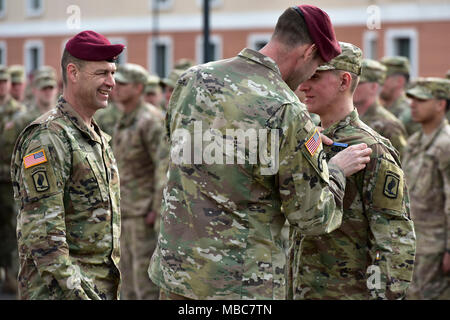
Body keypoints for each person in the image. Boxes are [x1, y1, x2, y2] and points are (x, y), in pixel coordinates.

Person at [148, 5, 372, 300]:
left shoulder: (193, 80)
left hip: (178, 276)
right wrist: (337, 171)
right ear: (309, 51)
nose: (309, 78)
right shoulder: (287, 111)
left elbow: (188, 152)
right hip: (241, 285)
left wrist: (290, 145)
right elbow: (312, 217)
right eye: (317, 64)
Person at [293, 42, 415, 300]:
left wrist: (386, 296)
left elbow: (393, 239)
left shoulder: (370, 148)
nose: (303, 86)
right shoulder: (311, 140)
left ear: (343, 81)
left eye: (315, 77)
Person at [10, 30, 124, 300]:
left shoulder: (93, 135)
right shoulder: (48, 137)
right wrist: (78, 293)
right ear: (73, 73)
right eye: (102, 73)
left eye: (113, 72)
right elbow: (44, 234)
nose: (111, 82)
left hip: (97, 289)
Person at [113, 63, 168, 300]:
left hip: (143, 214)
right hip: (124, 211)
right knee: (126, 282)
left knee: (144, 283)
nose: (116, 88)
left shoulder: (150, 120)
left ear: (138, 88)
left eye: (123, 84)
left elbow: (163, 166)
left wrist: (156, 209)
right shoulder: (124, 119)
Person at [403, 77, 450, 300]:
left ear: (441, 104)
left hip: (436, 246)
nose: (412, 104)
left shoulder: (446, 145)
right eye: (411, 99)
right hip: (413, 243)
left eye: (421, 100)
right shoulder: (414, 141)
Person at [0, 65, 26, 296]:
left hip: (8, 183)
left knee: (12, 229)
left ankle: (12, 276)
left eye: (5, 81)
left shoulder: (19, 112)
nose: (3, 86)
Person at [354, 59, 407, 158]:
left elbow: (401, 162)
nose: (352, 86)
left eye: (359, 83)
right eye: (353, 81)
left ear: (374, 87)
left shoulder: (389, 125)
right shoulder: (348, 118)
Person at [380, 56, 420, 136]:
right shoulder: (382, 109)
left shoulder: (411, 113)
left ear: (399, 81)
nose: (379, 82)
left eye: (383, 78)